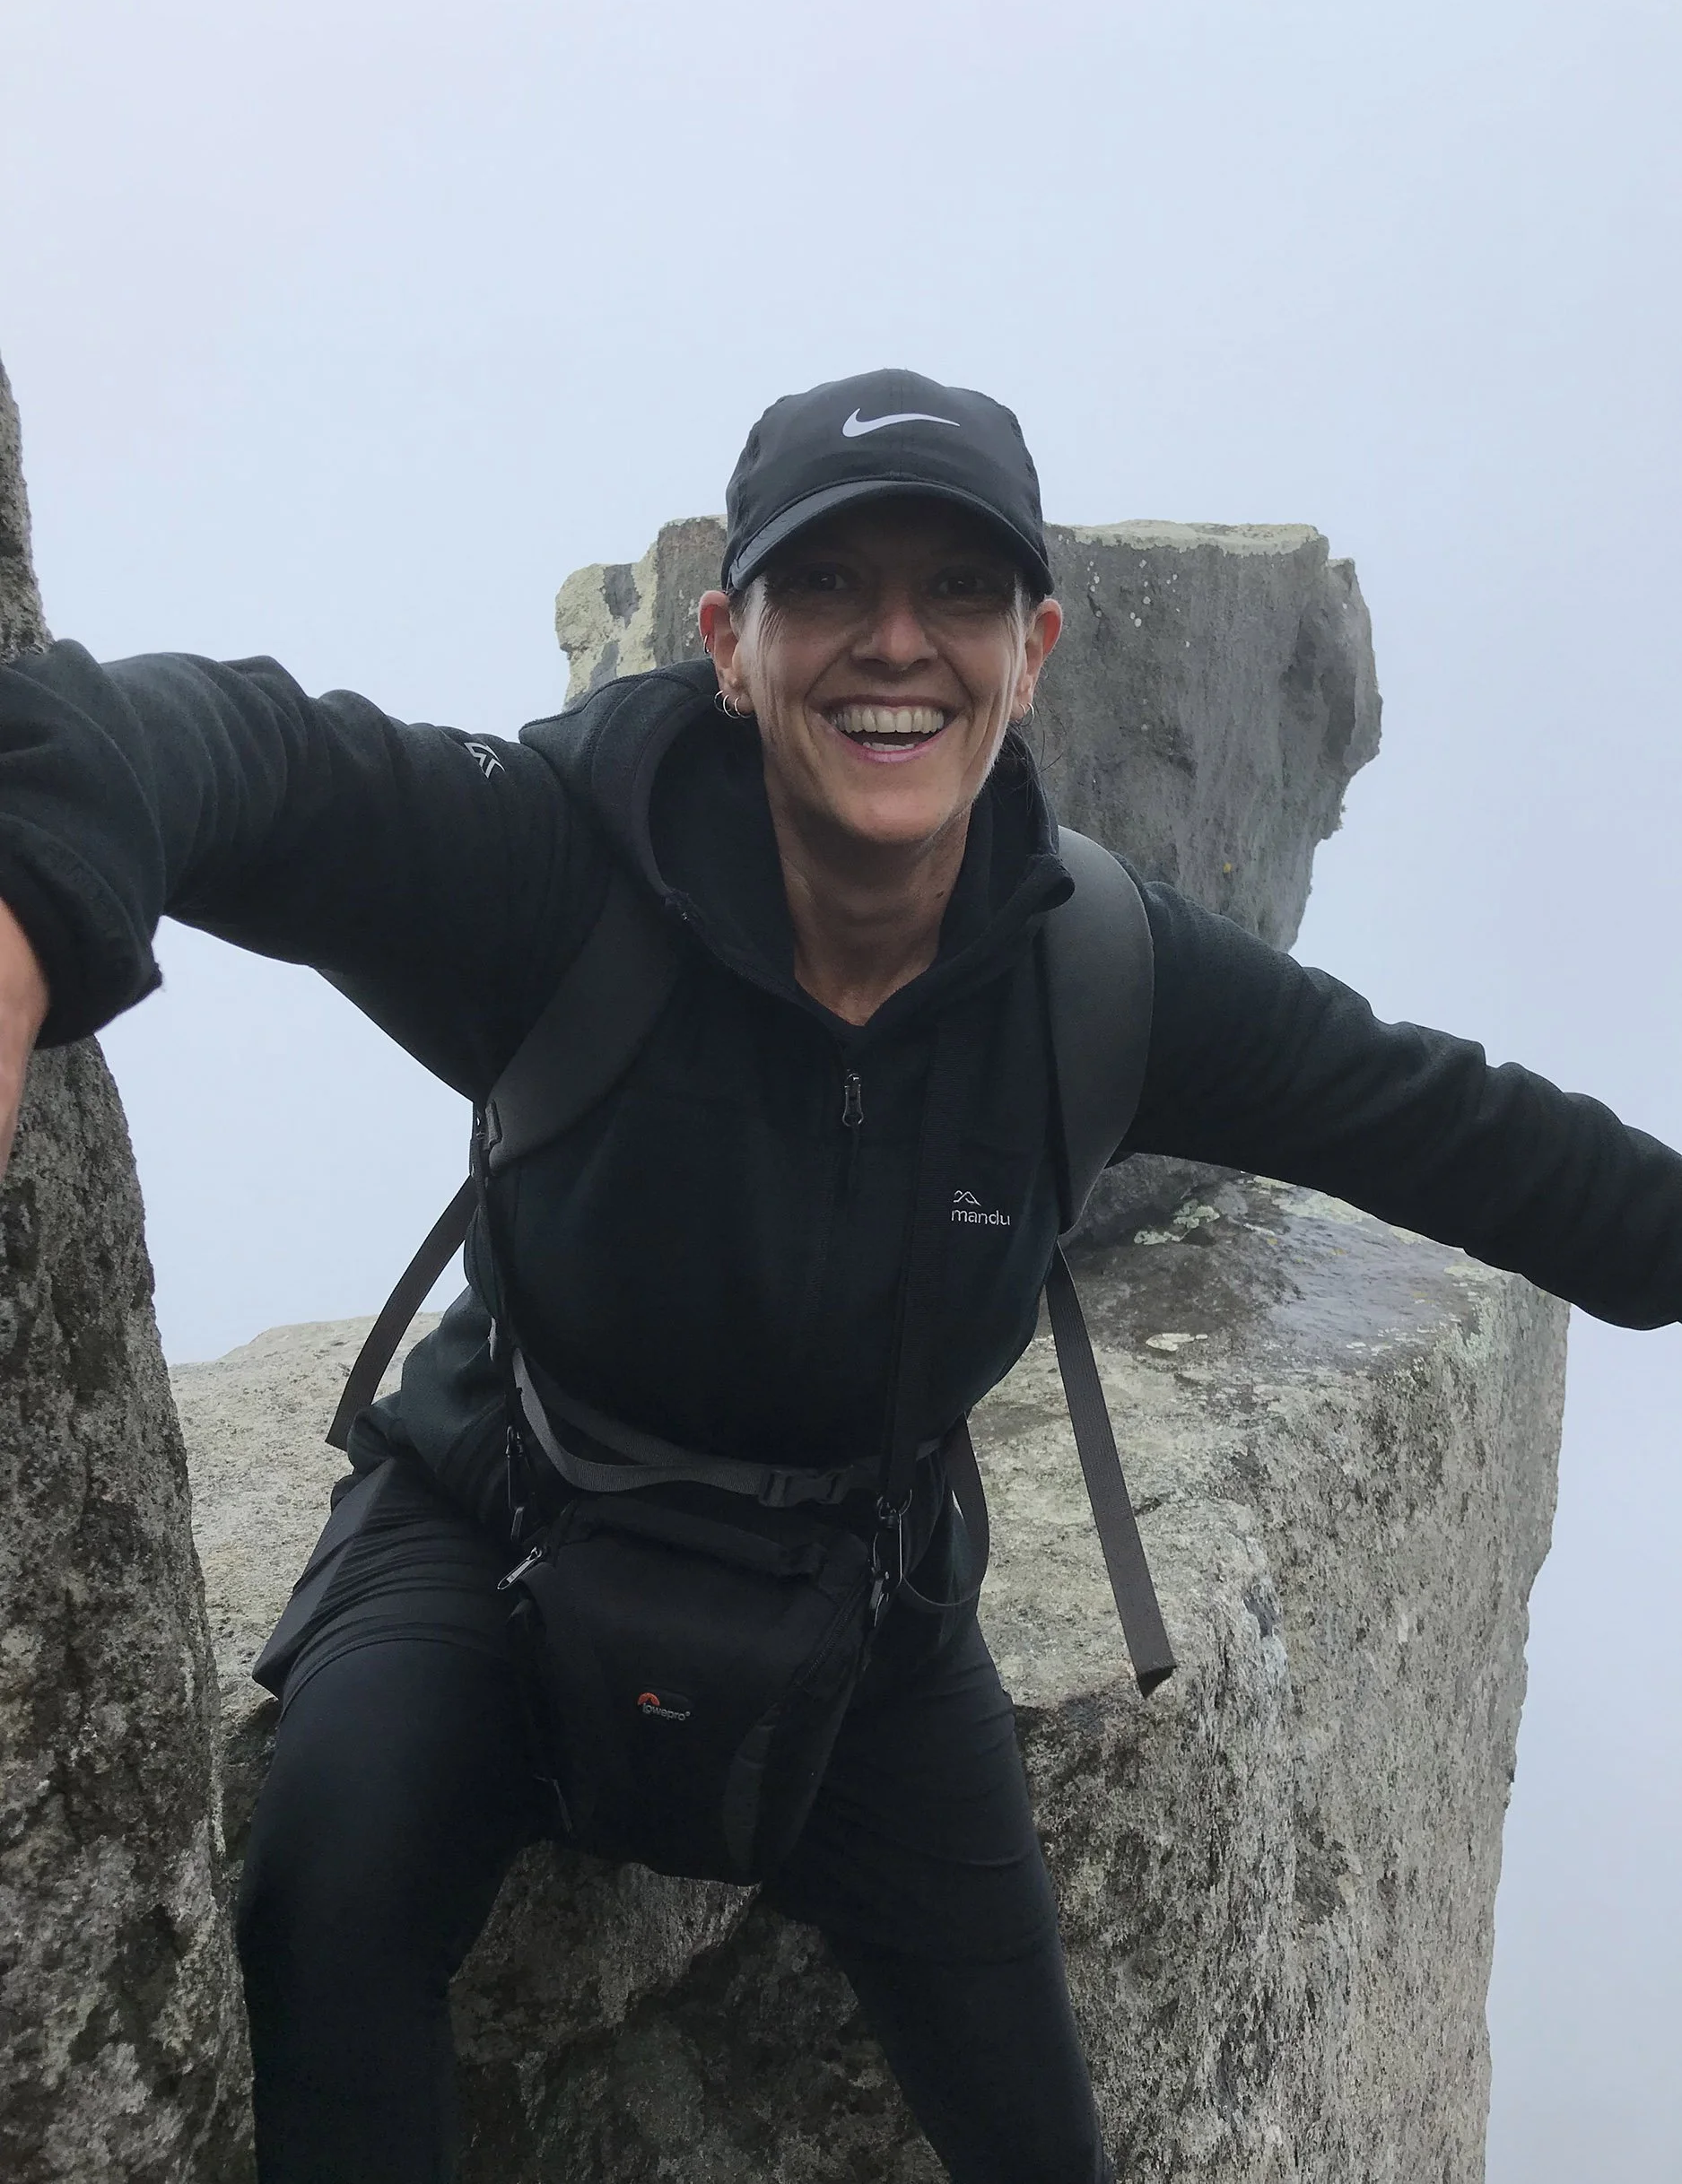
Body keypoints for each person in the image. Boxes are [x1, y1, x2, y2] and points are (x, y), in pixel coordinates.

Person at [1, 368, 1678, 2184]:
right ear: (730, 637)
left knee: (1041, 2142)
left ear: (1033, 650)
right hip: (503, 1516)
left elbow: (1456, 1128)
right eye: (830, 587)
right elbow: (218, 744)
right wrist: (25, 906)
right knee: (327, 1897)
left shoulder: (1095, 972)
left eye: (958, 592)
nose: (899, 644)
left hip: (861, 1594)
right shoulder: (557, 860)